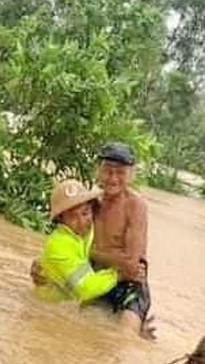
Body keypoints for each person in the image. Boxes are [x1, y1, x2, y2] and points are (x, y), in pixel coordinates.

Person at [33, 142, 154, 338]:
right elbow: (69, 241)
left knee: (125, 338)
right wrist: (44, 266)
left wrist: (96, 255)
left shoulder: (136, 205)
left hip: (131, 284)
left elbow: (132, 265)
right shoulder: (90, 204)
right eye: (107, 171)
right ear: (97, 171)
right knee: (83, 333)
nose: (113, 178)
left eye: (120, 172)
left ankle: (138, 328)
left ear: (131, 174)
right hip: (98, 279)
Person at [33, 179, 119, 304]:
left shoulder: (91, 231)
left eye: (85, 213)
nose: (81, 221)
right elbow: (85, 288)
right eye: (73, 217)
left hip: (70, 303)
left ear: (92, 209)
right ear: (61, 219)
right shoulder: (58, 245)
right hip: (48, 307)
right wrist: (118, 274)